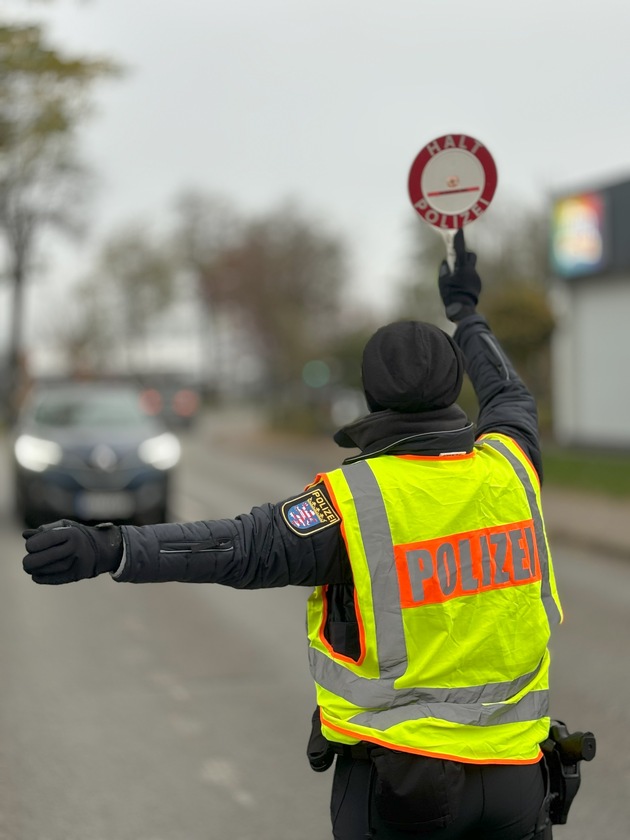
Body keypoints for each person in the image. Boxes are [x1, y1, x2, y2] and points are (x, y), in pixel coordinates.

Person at [23, 229, 563, 840]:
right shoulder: (512, 468)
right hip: (520, 782)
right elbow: (510, 393)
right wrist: (467, 313)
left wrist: (111, 547)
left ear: (373, 396)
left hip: (406, 788)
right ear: (452, 387)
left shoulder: (353, 502)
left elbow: (234, 547)